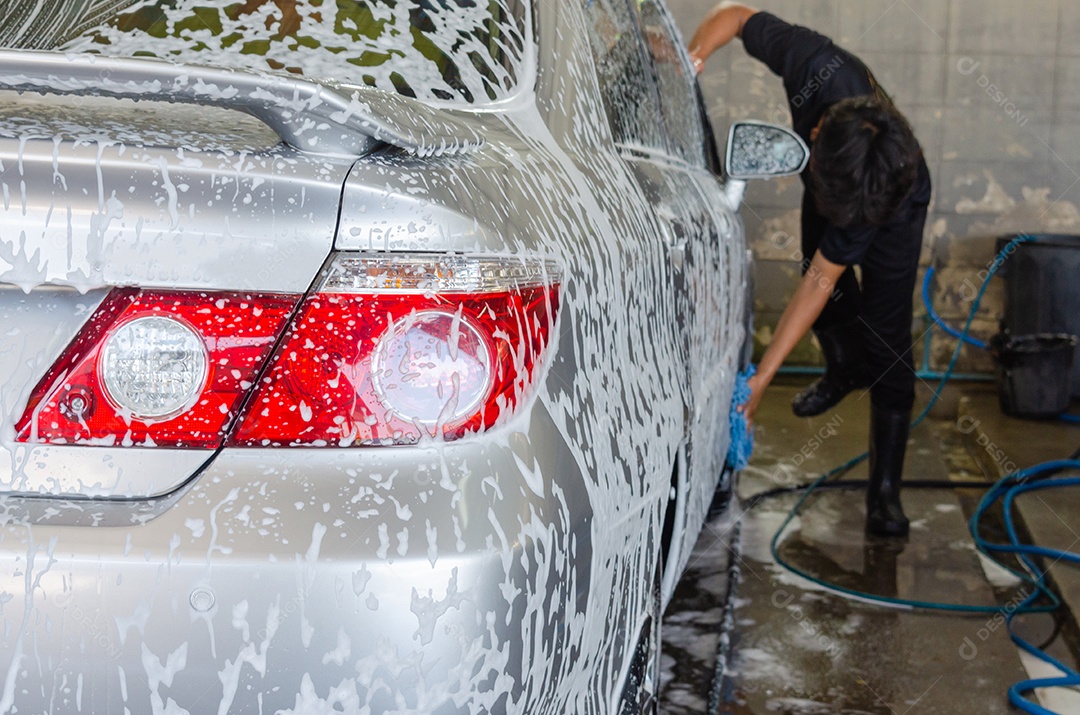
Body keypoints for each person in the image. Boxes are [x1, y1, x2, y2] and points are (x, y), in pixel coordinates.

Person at [689, 3, 932, 537]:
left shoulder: (887, 184)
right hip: (841, 187)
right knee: (817, 265)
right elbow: (733, 15)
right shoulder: (812, 62)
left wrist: (761, 380)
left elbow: (818, 284)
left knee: (886, 333)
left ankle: (885, 492)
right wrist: (692, 58)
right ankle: (845, 365)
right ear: (818, 129)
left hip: (895, 203)